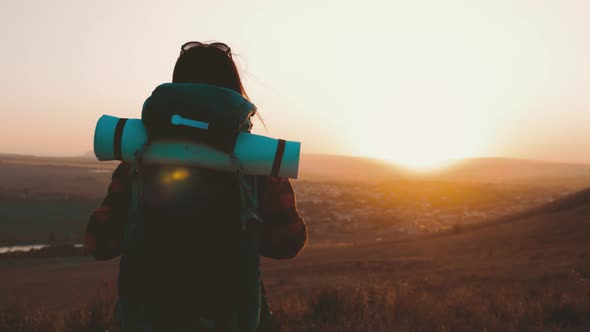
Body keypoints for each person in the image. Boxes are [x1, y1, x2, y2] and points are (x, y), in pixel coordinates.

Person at [85, 41, 308, 331]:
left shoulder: (140, 156)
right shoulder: (257, 161)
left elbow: (99, 243)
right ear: (233, 92)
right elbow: (286, 243)